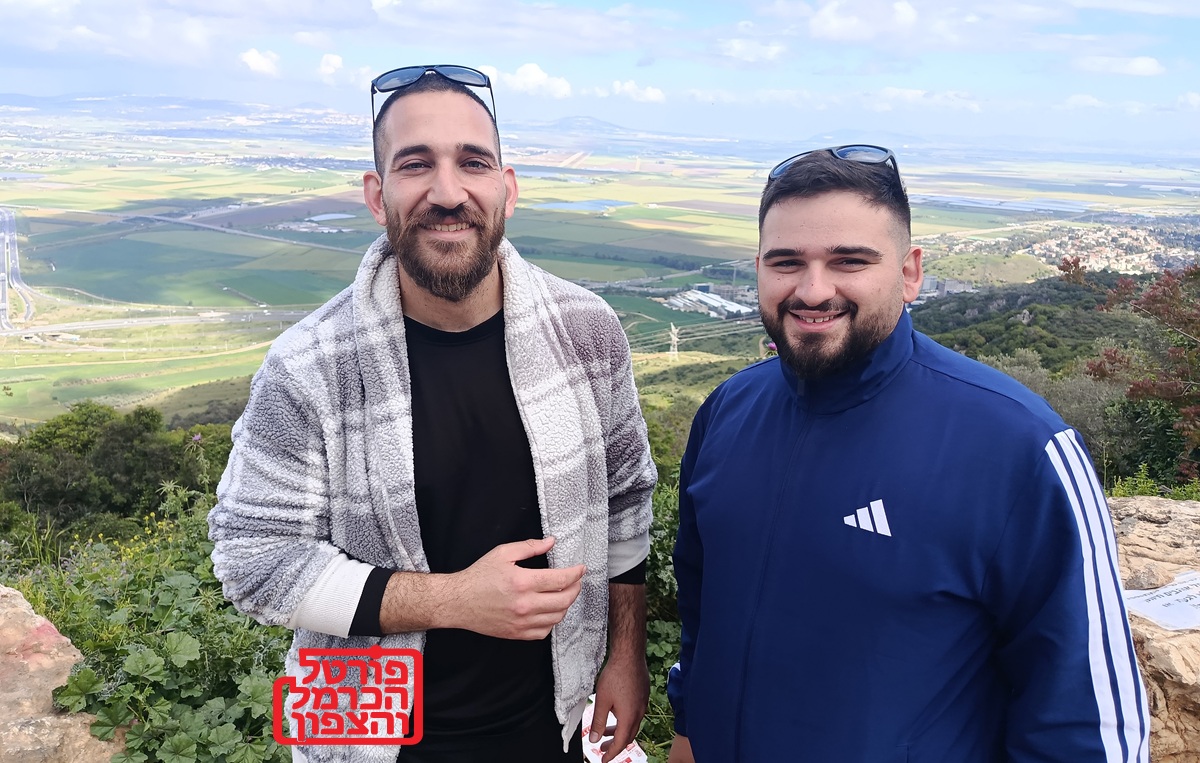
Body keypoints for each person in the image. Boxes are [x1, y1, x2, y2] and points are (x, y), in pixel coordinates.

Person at [208, 65, 656, 763]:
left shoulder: (587, 331)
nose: (448, 192)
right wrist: (453, 600)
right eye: (416, 165)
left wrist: (626, 656)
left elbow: (627, 503)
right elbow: (252, 561)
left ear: (507, 189)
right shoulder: (308, 364)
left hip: (556, 723)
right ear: (376, 194)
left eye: (473, 162)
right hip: (365, 738)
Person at [666, 145, 1149, 762]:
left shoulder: (1018, 447)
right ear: (759, 269)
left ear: (910, 272)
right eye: (787, 262)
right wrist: (688, 729)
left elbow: (1084, 722)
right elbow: (702, 609)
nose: (813, 290)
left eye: (850, 261)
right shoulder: (727, 412)